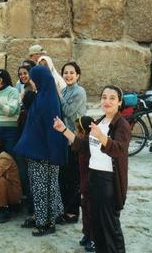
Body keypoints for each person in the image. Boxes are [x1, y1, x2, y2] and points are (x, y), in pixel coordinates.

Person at [53, 85, 130, 253]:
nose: (107, 101)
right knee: (97, 227)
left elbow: (119, 149)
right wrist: (64, 130)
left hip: (108, 182)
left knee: (110, 227)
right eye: (104, 97)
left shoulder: (121, 124)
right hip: (93, 178)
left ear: (119, 102)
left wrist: (102, 136)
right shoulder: (100, 121)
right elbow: (84, 145)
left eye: (112, 98)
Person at [14, 65, 66, 236]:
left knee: (42, 188)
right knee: (42, 187)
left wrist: (54, 155)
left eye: (34, 80)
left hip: (43, 154)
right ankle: (41, 217)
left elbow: (53, 130)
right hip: (41, 151)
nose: (33, 83)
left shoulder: (47, 100)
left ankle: (46, 223)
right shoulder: (44, 96)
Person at [58, 61, 87, 225]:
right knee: (65, 176)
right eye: (66, 73)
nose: (68, 75)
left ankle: (73, 212)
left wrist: (59, 97)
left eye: (71, 73)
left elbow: (68, 112)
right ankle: (65, 209)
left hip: (76, 140)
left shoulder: (79, 92)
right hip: (65, 139)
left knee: (74, 178)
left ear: (78, 75)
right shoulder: (64, 90)